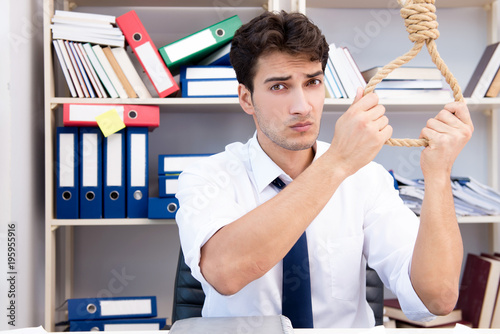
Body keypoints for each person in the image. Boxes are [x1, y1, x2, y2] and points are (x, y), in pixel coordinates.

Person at [175, 10, 473, 328]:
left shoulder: (367, 180)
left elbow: (438, 298)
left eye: (313, 82)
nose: (302, 106)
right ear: (246, 99)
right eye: (279, 87)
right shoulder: (206, 178)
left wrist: (439, 174)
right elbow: (225, 273)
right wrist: (338, 163)